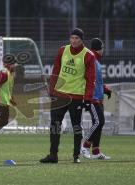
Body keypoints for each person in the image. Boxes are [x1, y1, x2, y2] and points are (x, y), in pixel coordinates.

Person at [40, 28, 96, 163]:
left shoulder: (88, 55)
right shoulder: (62, 50)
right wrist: (51, 90)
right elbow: (56, 71)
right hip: (59, 95)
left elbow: (90, 79)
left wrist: (88, 99)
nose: (74, 40)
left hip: (76, 97)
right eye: (72, 38)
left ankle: (76, 156)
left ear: (81, 39)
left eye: (77, 38)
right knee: (54, 125)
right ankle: (53, 155)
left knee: (76, 126)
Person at [80, 38, 112, 160]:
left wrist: (105, 89)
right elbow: (88, 79)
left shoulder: (96, 61)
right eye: (102, 48)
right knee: (99, 122)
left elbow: (97, 81)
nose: (103, 50)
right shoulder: (92, 60)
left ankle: (96, 151)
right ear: (100, 48)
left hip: (98, 97)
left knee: (99, 123)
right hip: (92, 97)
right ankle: (84, 145)